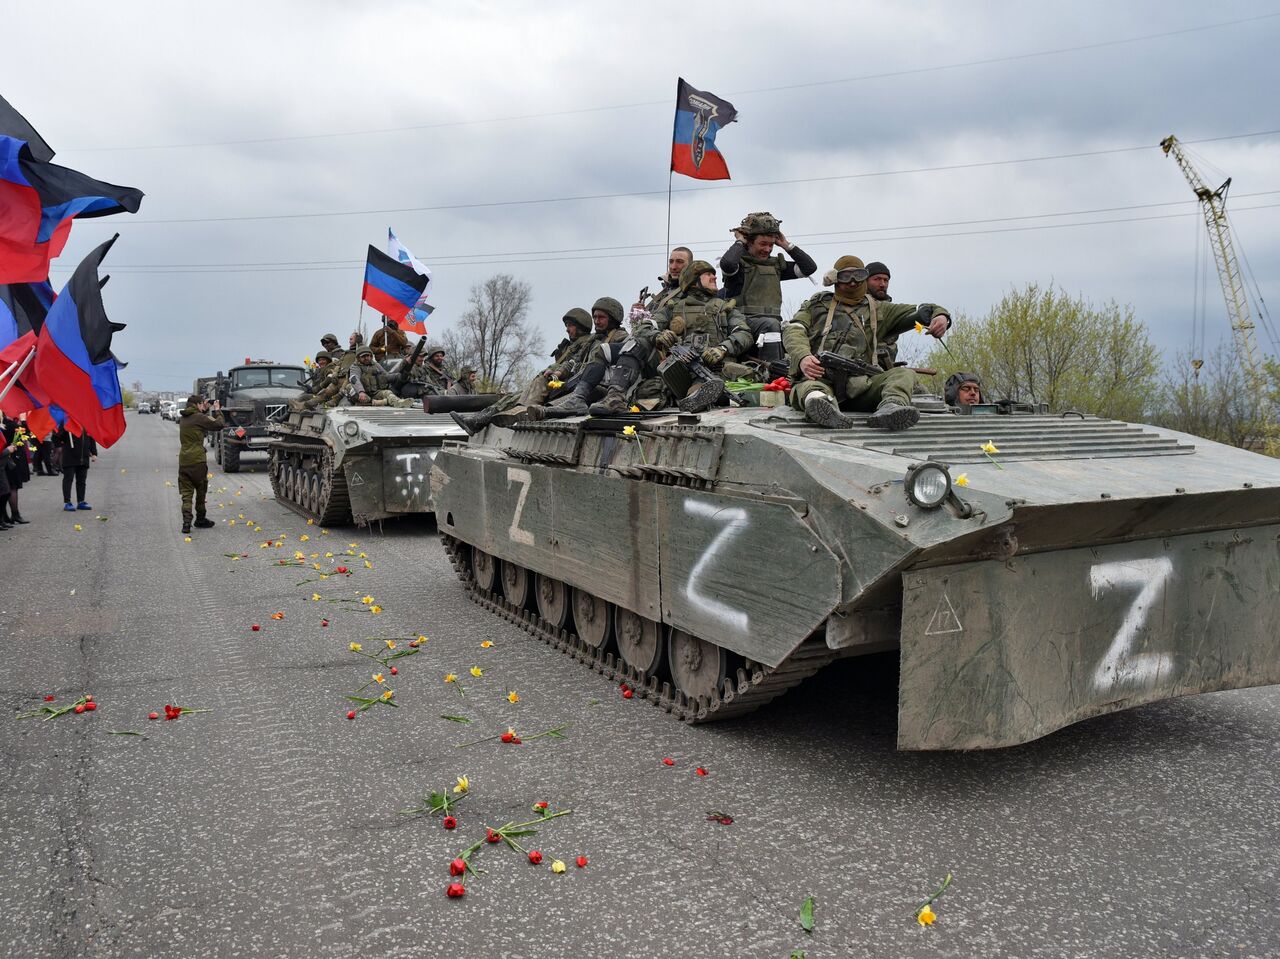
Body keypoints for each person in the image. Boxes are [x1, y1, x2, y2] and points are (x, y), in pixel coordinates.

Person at [783, 255, 952, 431]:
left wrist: (940, 316)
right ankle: (822, 408)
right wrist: (803, 357)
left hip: (862, 387)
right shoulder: (816, 306)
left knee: (903, 374)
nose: (853, 282)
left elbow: (923, 310)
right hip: (822, 379)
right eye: (846, 277)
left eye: (859, 275)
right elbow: (794, 330)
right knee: (809, 388)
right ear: (834, 279)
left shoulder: (880, 309)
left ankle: (891, 407)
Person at [593, 260, 752, 415]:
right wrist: (658, 335)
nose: (714, 277)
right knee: (638, 344)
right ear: (693, 280)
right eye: (708, 274)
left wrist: (723, 348)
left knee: (702, 391)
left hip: (711, 370)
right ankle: (615, 397)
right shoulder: (673, 308)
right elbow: (643, 328)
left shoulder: (725, 308)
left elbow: (744, 333)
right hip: (676, 372)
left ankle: (694, 399)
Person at [450, 308, 595, 434]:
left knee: (514, 399)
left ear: (581, 326)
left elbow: (573, 364)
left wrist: (555, 372)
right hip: (554, 383)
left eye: (570, 325)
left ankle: (494, 417)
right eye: (567, 325)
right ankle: (477, 420)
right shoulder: (573, 345)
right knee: (510, 397)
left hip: (562, 385)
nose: (567, 329)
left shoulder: (586, 343)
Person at [718, 212, 817, 371]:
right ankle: (775, 374)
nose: (767, 249)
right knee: (770, 325)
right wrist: (739, 242)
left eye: (771, 245)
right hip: (742, 323)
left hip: (772, 326)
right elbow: (728, 264)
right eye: (762, 244)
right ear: (749, 242)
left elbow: (809, 268)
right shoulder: (739, 266)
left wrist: (787, 245)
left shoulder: (775, 266)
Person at [177, 394, 223, 534]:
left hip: (184, 461)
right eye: (202, 403)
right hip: (197, 461)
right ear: (197, 405)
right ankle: (200, 519)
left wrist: (203, 409)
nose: (204, 405)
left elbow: (197, 419)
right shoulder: (199, 418)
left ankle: (186, 523)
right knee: (200, 490)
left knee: (186, 493)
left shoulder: (183, 419)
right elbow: (219, 424)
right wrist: (217, 410)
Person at [634, 246, 693, 318]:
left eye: (679, 262)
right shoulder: (665, 293)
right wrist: (637, 315)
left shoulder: (696, 291)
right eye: (671, 261)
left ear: (691, 265)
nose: (673, 267)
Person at [347, 347, 415, 407]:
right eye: (363, 356)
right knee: (350, 387)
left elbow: (386, 376)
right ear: (358, 358)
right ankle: (380, 402)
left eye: (368, 356)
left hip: (375, 393)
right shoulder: (355, 367)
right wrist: (361, 391)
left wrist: (399, 376)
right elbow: (354, 379)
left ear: (371, 356)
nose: (366, 358)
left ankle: (398, 402)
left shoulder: (376, 365)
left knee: (387, 392)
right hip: (363, 395)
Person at [56, 426, 98, 510]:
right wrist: (64, 431)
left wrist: (94, 453)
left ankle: (81, 501)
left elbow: (91, 438)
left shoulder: (86, 422)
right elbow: (57, 438)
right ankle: (67, 502)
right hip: (69, 456)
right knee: (68, 479)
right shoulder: (66, 422)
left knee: (82, 480)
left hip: (83, 456)